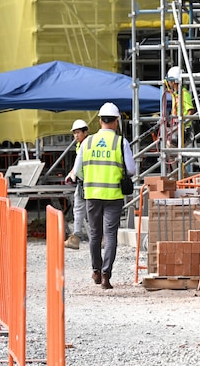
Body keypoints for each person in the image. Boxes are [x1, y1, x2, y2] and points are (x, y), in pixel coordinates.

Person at [67, 102, 136, 290]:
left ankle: (96, 270)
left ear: (99, 121)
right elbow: (131, 170)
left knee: (95, 235)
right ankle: (106, 275)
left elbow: (77, 170)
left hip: (91, 194)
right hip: (113, 195)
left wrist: (90, 179)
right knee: (111, 235)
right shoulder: (121, 142)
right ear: (116, 121)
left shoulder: (87, 142)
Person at [64, 119, 90, 250]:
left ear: (85, 132)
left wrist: (74, 174)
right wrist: (72, 173)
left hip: (88, 182)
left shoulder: (87, 144)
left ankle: (77, 238)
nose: (76, 135)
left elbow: (80, 165)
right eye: (74, 133)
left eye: (78, 132)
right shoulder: (80, 145)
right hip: (84, 182)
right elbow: (77, 164)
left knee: (89, 211)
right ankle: (76, 237)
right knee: (80, 210)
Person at [164, 65, 194, 146]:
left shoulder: (184, 93)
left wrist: (184, 122)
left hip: (182, 127)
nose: (169, 83)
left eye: (170, 81)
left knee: (170, 146)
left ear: (173, 82)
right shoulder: (175, 94)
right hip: (176, 125)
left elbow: (190, 110)